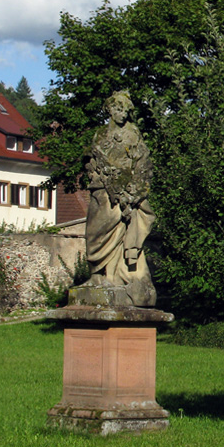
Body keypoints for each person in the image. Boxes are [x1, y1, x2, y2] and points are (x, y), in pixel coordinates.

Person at [82, 91, 157, 307]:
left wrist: (133, 192)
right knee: (95, 231)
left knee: (119, 231)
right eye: (118, 109)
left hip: (125, 195)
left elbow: (144, 164)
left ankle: (111, 276)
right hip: (101, 192)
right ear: (110, 110)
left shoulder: (133, 135)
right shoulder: (99, 135)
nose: (121, 114)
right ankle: (96, 275)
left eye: (125, 110)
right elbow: (91, 163)